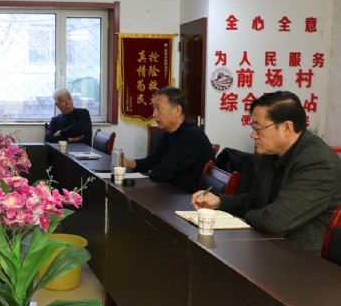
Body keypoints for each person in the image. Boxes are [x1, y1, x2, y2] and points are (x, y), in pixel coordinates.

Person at [192, 90, 341, 255]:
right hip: (265, 245)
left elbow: (275, 221)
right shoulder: (268, 154)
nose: (253, 134)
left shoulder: (319, 163)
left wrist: (245, 217)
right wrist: (220, 202)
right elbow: (255, 199)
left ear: (286, 127)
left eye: (258, 128)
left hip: (299, 258)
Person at [123, 87, 215, 192]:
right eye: (154, 108)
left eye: (158, 108)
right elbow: (151, 161)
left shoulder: (192, 136)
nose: (154, 114)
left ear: (177, 110)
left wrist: (152, 172)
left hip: (189, 198)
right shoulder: (169, 134)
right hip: (172, 193)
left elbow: (161, 173)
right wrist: (129, 163)